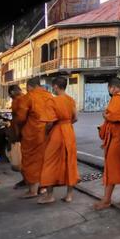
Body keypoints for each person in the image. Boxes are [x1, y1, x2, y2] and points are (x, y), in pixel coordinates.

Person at [95, 77, 120, 210]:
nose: (110, 92)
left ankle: (106, 200)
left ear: (113, 88)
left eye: (110, 89)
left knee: (111, 167)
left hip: (119, 136)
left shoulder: (118, 98)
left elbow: (115, 116)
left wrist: (106, 116)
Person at [38, 76, 79, 204]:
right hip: (69, 131)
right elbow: (75, 118)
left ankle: (50, 195)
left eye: (53, 87)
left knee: (50, 162)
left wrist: (46, 132)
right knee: (70, 161)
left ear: (56, 86)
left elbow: (50, 122)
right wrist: (67, 123)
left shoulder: (52, 101)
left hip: (57, 132)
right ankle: (69, 195)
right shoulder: (71, 100)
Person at [14, 77, 53, 199]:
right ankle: (43, 187)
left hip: (33, 133)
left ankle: (33, 190)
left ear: (29, 86)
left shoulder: (29, 97)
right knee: (44, 160)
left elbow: (20, 118)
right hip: (47, 132)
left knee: (31, 161)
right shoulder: (49, 96)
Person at [8, 84, 27, 188]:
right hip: (25, 131)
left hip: (21, 131)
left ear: (12, 92)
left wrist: (16, 134)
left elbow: (20, 118)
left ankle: (29, 180)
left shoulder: (19, 100)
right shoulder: (24, 98)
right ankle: (28, 180)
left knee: (24, 158)